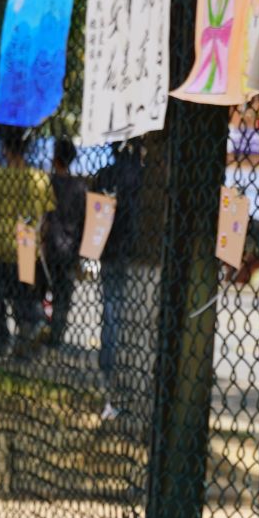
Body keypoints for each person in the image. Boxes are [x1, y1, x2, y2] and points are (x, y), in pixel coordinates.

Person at [0, 128, 53, 356]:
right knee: (24, 297)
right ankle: (29, 334)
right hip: (27, 246)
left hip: (0, 245)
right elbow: (46, 217)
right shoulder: (41, 179)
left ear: (5, 149)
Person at [93, 141, 143, 382]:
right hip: (133, 250)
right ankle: (121, 360)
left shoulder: (105, 175)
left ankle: (108, 362)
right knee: (126, 306)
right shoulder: (142, 176)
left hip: (107, 246)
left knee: (110, 306)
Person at [44, 138, 86, 350]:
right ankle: (55, 340)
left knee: (39, 292)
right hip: (70, 249)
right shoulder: (80, 188)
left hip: (48, 247)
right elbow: (84, 221)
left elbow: (43, 216)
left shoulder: (47, 184)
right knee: (63, 298)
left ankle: (41, 331)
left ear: (55, 157)